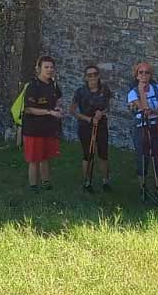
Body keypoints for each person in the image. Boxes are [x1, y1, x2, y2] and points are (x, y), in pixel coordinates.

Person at [21, 55, 63, 192]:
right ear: (39, 69)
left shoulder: (53, 83)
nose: (49, 70)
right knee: (34, 159)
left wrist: (57, 107)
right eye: (46, 67)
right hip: (33, 128)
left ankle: (46, 182)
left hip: (48, 128)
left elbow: (58, 99)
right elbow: (29, 108)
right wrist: (50, 112)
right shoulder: (33, 86)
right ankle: (33, 186)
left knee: (45, 156)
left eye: (51, 67)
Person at [127, 61, 158, 200]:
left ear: (151, 75)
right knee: (142, 157)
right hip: (141, 127)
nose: (144, 75)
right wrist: (142, 91)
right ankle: (142, 189)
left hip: (156, 126)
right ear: (136, 76)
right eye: (140, 72)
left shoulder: (157, 88)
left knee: (157, 156)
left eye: (147, 72)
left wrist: (152, 110)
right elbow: (143, 108)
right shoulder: (133, 92)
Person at [72, 64, 113, 193]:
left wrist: (101, 113)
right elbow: (72, 110)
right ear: (85, 77)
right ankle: (87, 182)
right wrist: (88, 119)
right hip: (85, 126)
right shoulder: (80, 91)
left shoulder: (105, 89)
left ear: (99, 75)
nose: (93, 77)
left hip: (101, 125)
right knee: (88, 155)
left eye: (95, 74)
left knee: (103, 154)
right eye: (90, 75)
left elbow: (108, 107)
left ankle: (106, 181)